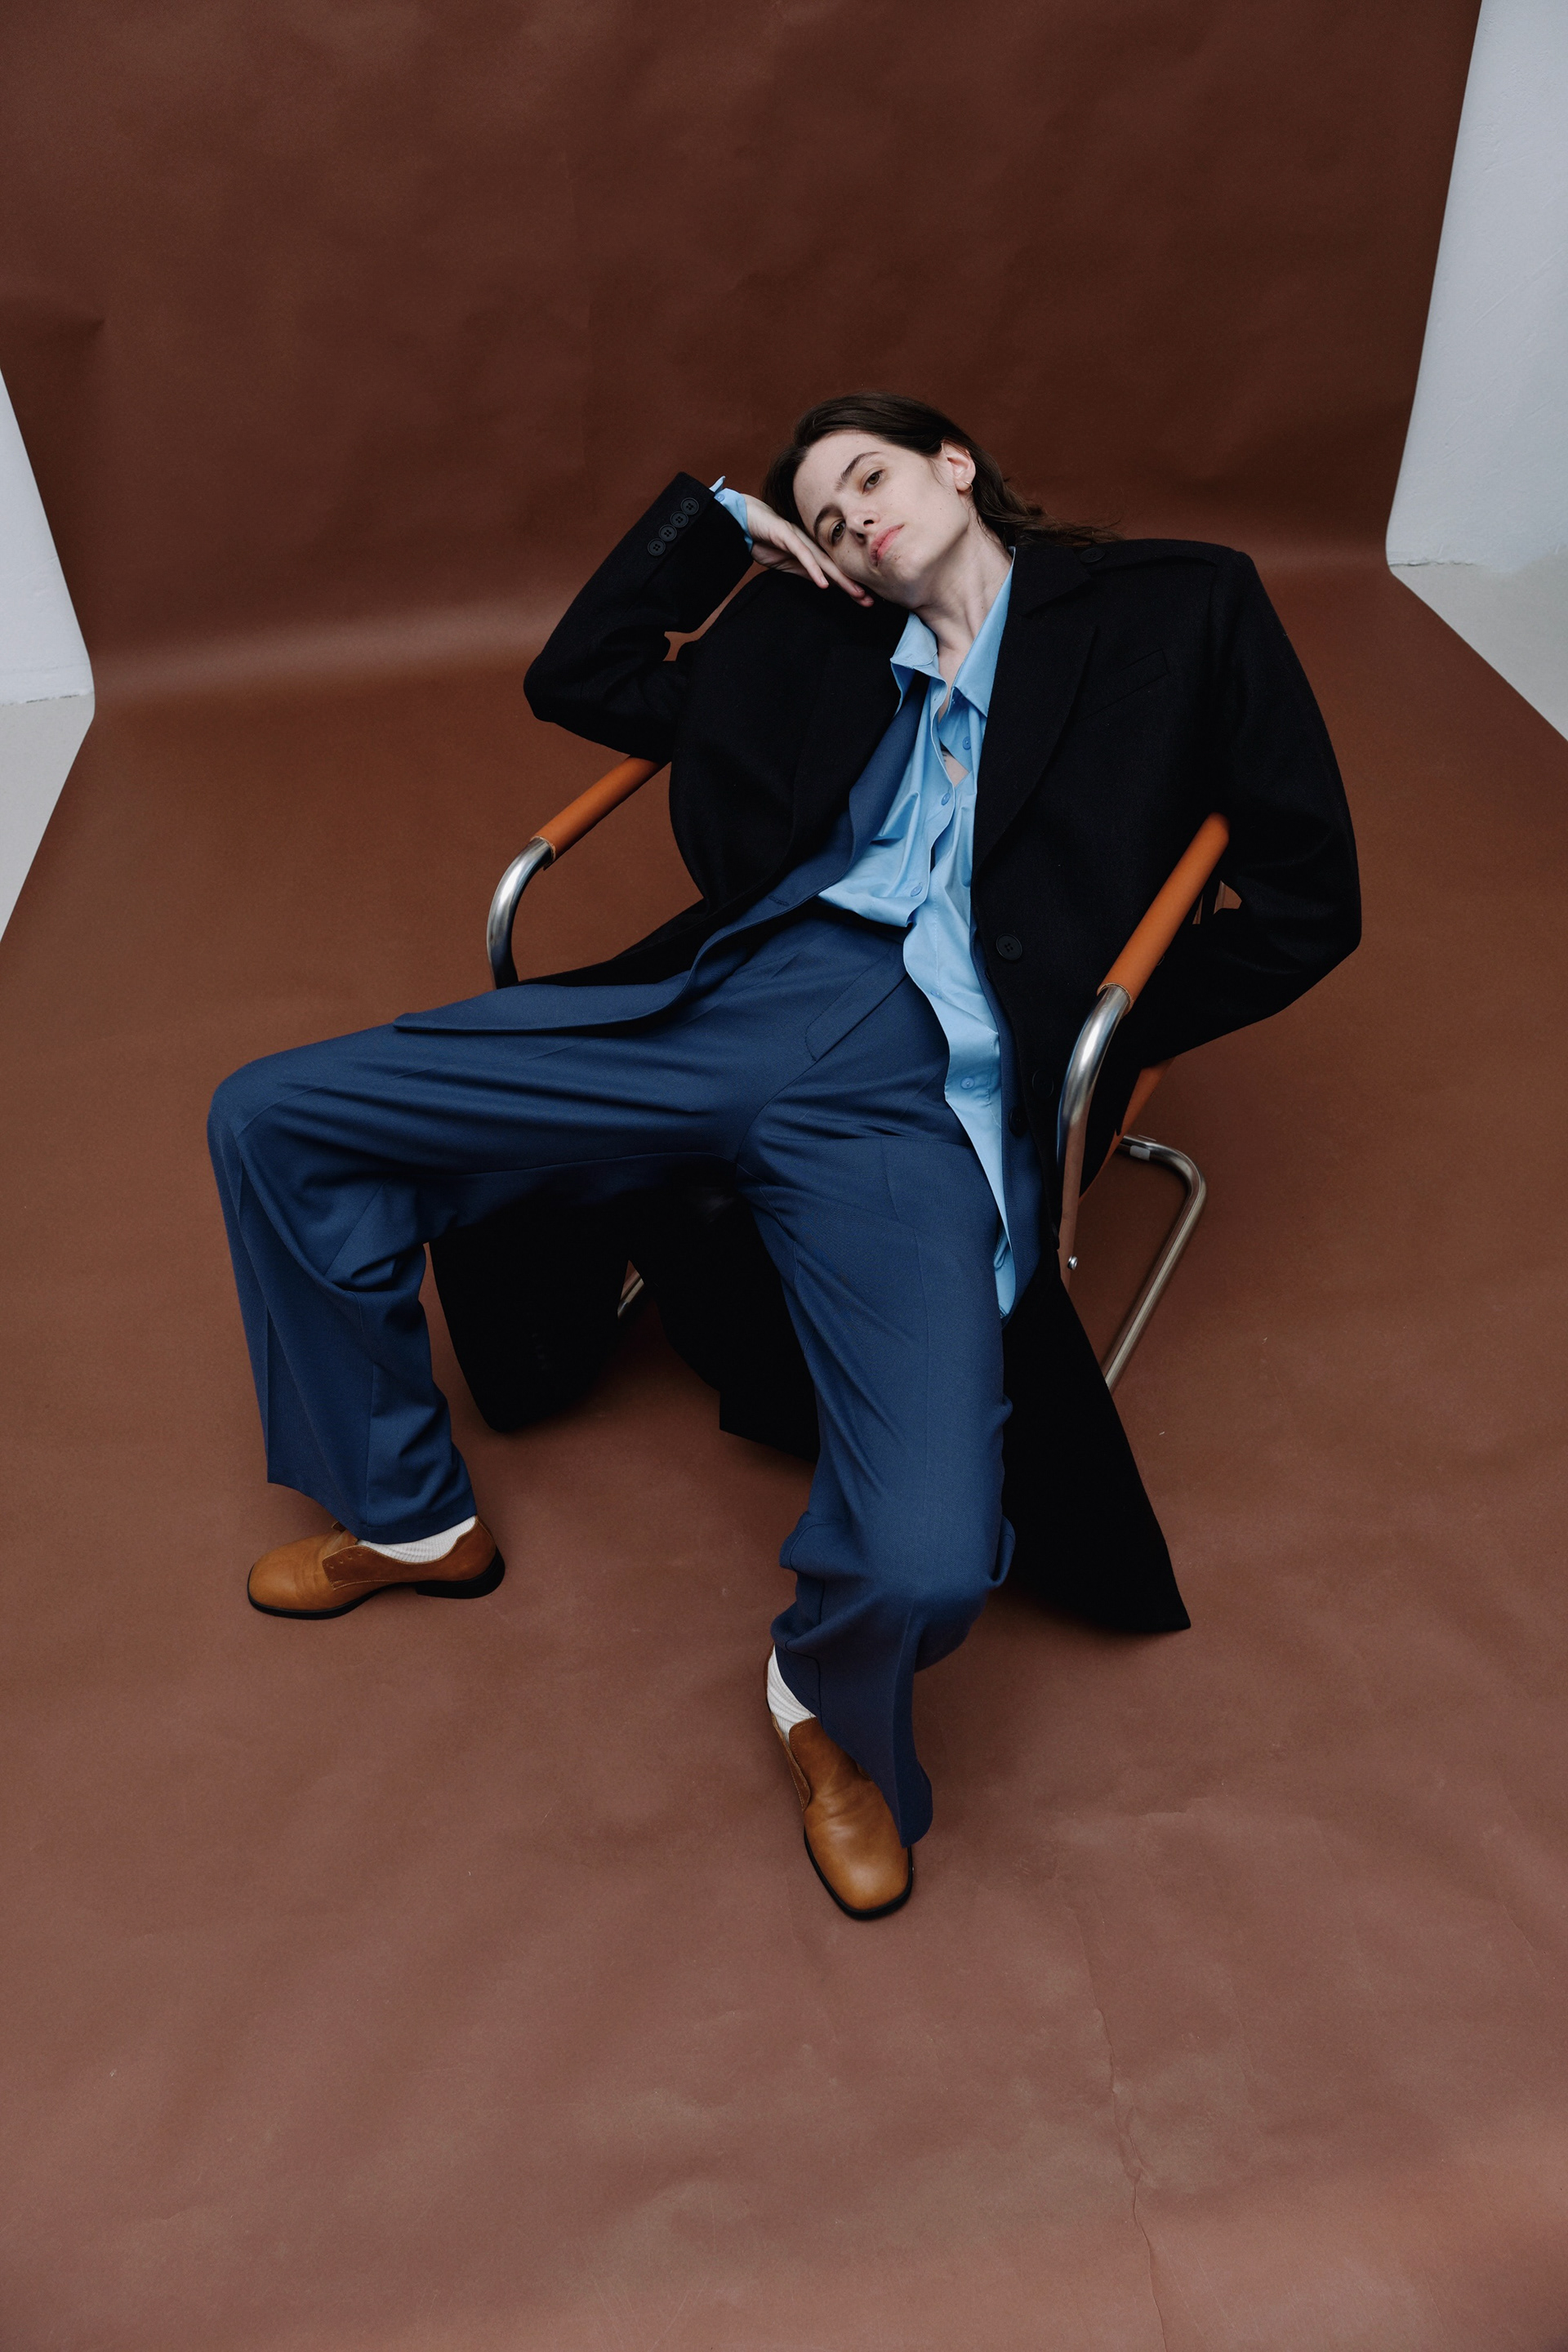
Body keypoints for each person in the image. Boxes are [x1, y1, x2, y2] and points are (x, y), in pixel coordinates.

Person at [209, 393, 1359, 1920]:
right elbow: (581, 679)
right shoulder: (812, 638)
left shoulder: (1180, 606)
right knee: (273, 1114)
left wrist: (1108, 1023)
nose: (856, 520)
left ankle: (822, 1696)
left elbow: (1307, 897)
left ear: (957, 465)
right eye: (826, 517)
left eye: (871, 477)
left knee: (935, 1558)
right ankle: (409, 1516)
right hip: (738, 1003)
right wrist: (718, 531)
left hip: (925, 1104)